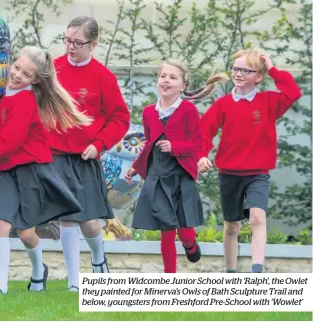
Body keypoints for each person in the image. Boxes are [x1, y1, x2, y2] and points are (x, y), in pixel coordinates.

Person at [0, 46, 92, 295]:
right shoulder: (3, 91)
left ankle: (39, 270)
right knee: (1, 225)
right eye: (17, 67)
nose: (18, 75)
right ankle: (1, 287)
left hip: (31, 169)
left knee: (26, 232)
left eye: (26, 74)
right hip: (7, 170)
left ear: (36, 80)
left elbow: (9, 142)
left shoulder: (25, 100)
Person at [198, 49, 302, 273]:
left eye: (246, 70)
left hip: (258, 174)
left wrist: (272, 67)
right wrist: (202, 155)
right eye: (236, 68)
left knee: (257, 218)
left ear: (259, 77)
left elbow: (292, 92)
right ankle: (231, 273)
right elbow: (204, 132)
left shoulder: (269, 101)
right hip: (229, 174)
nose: (239, 73)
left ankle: (257, 272)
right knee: (231, 226)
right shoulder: (223, 104)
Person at [47, 16, 130, 291]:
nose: (70, 47)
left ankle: (98, 258)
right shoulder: (52, 70)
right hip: (56, 155)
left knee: (91, 223)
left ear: (93, 44)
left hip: (86, 156)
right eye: (67, 40)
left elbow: (120, 118)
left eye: (77, 42)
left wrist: (99, 144)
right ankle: (73, 282)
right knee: (67, 219)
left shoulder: (103, 77)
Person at [125, 60, 228, 273]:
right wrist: (136, 166)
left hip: (181, 176)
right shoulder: (148, 113)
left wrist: (174, 146)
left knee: (184, 230)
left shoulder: (189, 110)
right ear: (157, 81)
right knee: (167, 229)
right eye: (163, 76)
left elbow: (197, 143)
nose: (166, 80)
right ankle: (169, 277)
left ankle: (190, 243)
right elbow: (149, 144)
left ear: (182, 85)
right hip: (158, 177)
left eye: (173, 77)